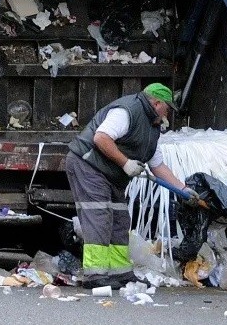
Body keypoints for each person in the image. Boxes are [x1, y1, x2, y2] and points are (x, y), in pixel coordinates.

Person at [66, 83, 198, 289]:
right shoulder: (127, 112)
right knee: (99, 216)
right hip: (88, 164)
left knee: (120, 219)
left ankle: (120, 273)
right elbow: (101, 138)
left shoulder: (152, 128)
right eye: (168, 108)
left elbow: (158, 165)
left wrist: (182, 189)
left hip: (111, 174)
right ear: (156, 103)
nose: (169, 113)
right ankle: (95, 274)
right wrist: (125, 163)